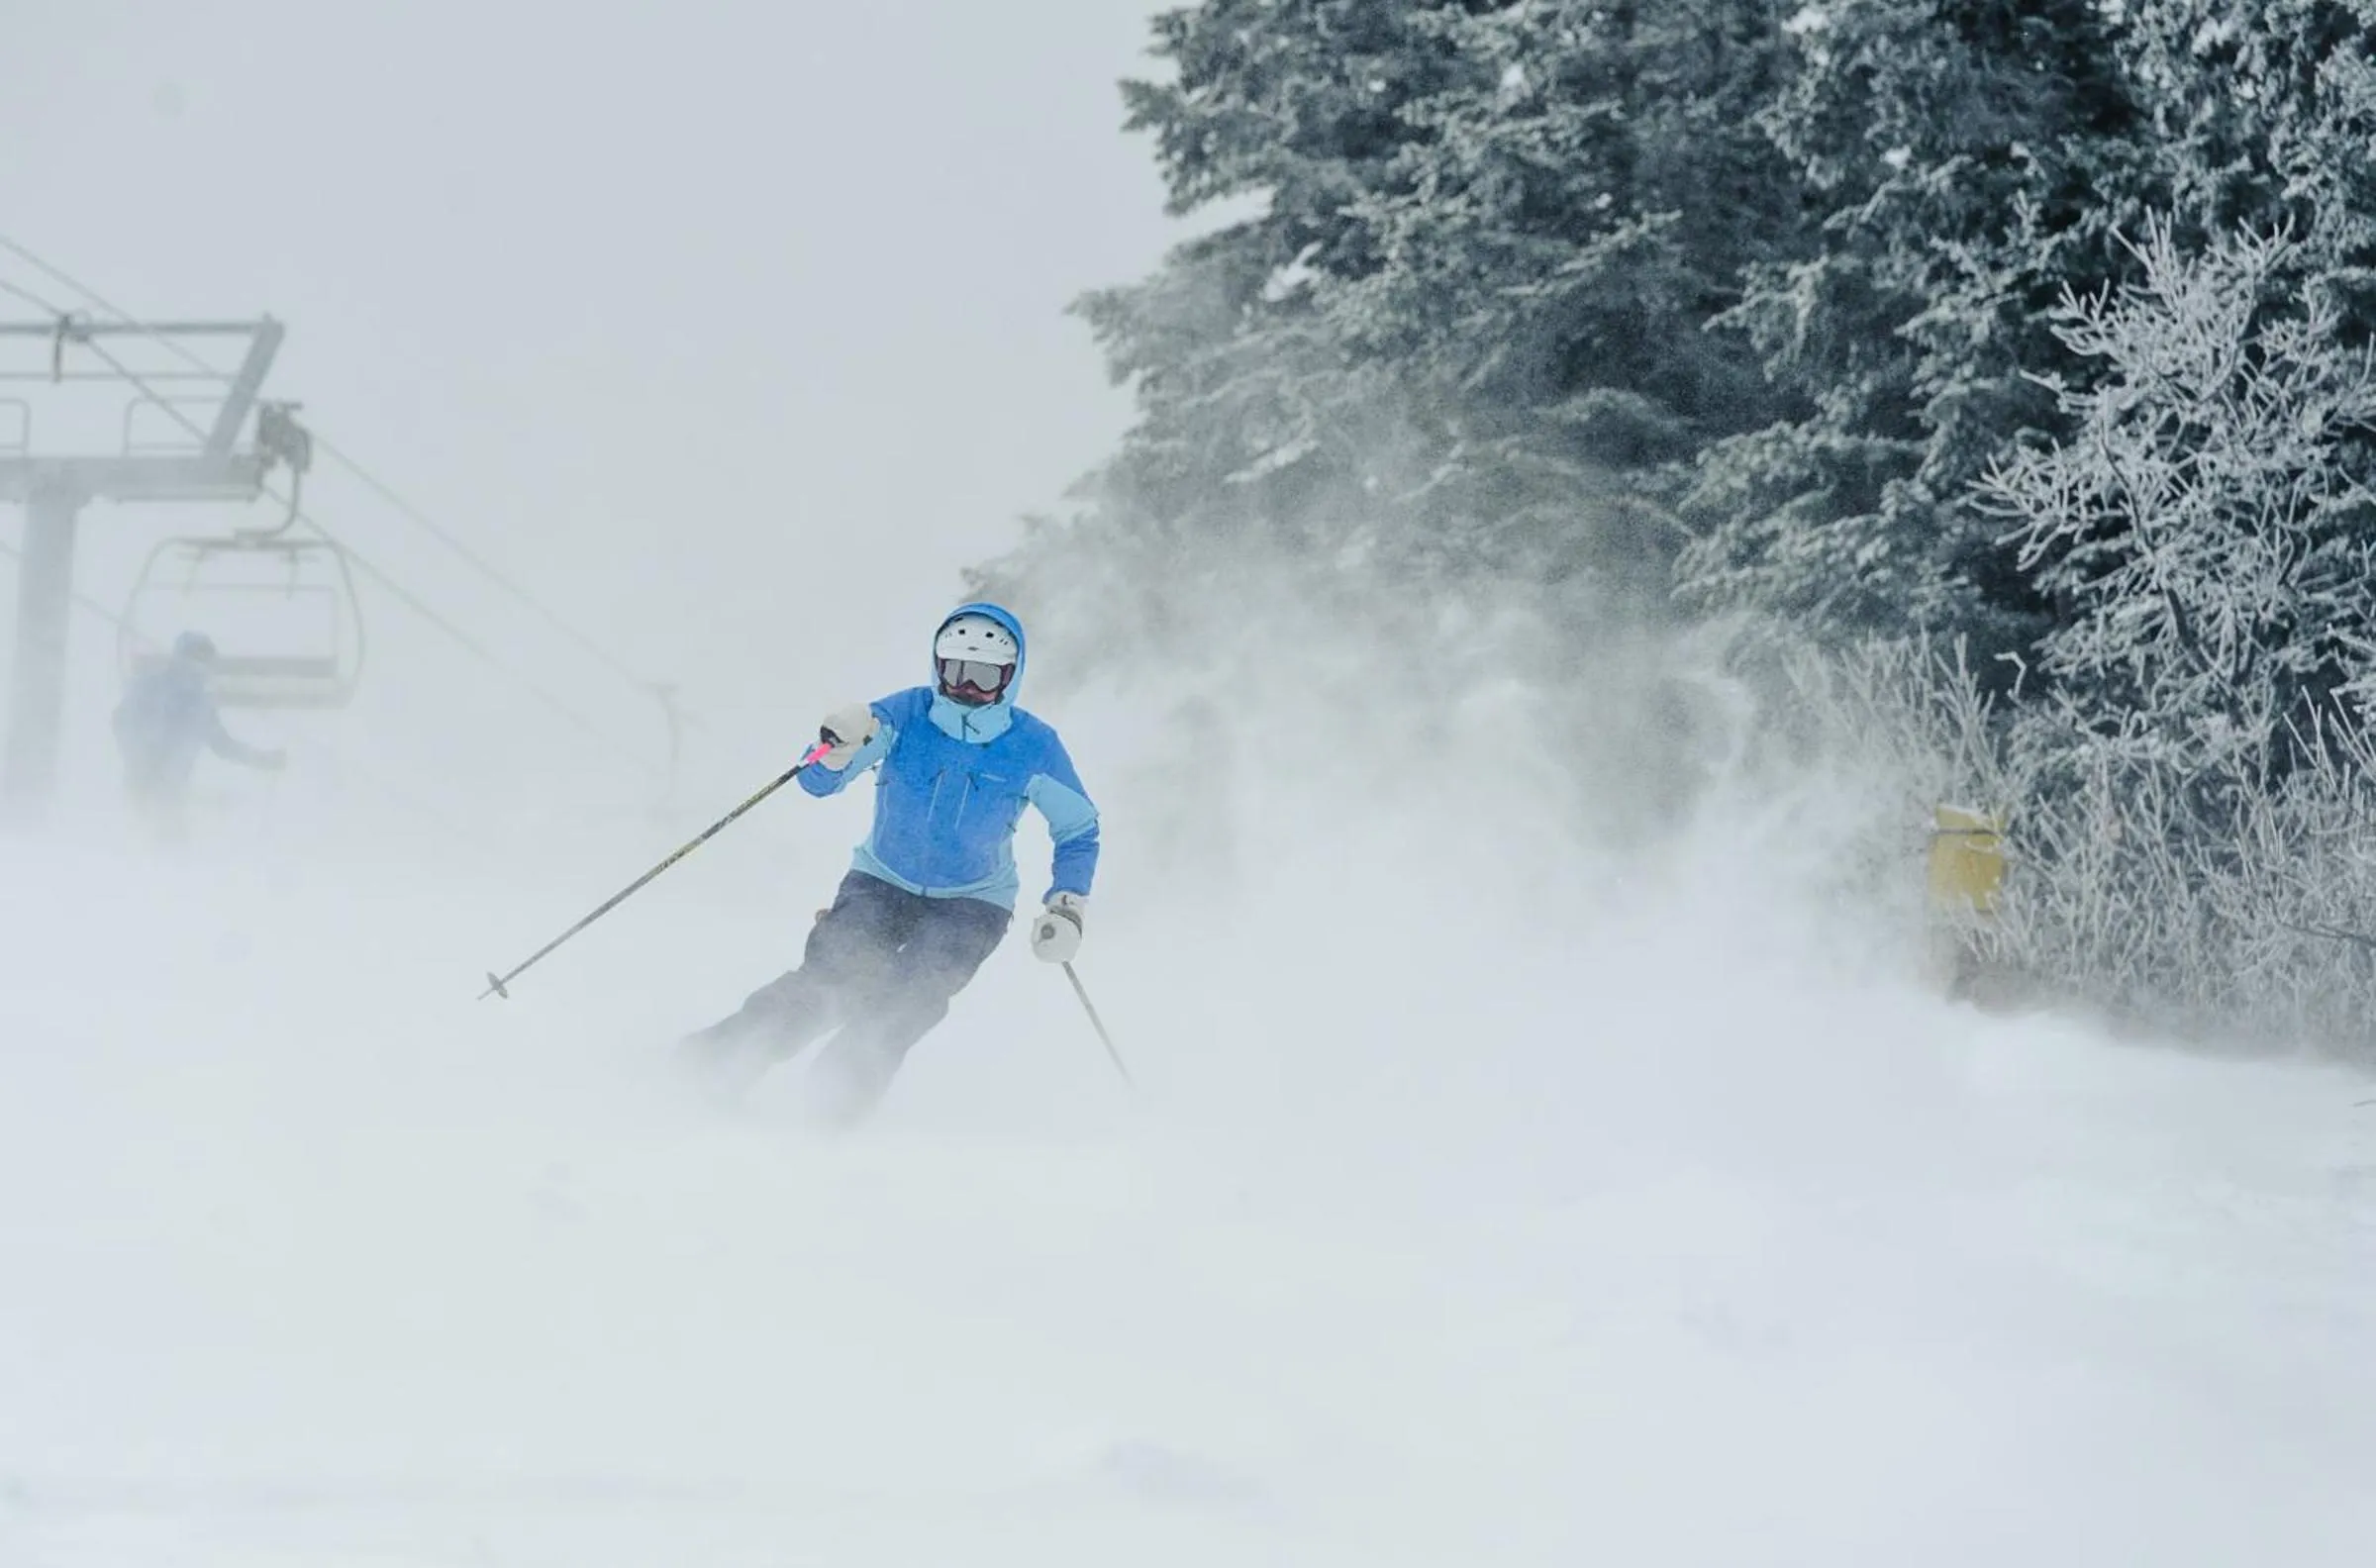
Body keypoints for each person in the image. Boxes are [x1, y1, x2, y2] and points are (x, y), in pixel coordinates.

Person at [680, 602, 1101, 1125]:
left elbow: (1078, 829)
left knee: (908, 999)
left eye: (984, 676)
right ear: (937, 666)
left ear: (1010, 679)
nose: (966, 688)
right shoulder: (903, 716)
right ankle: (710, 1067)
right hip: (881, 880)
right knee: (831, 978)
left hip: (973, 903)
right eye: (955, 672)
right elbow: (817, 781)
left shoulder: (1033, 746)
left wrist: (1067, 905)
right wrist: (831, 749)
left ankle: (828, 1110)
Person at [112, 631, 287, 841]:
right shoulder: (152, 687)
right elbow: (124, 723)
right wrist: (142, 761)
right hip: (145, 782)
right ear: (180, 656)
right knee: (145, 835)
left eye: (205, 659)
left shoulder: (201, 706)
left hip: (170, 788)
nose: (199, 665)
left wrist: (261, 759)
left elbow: (224, 746)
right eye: (196, 656)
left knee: (167, 841)